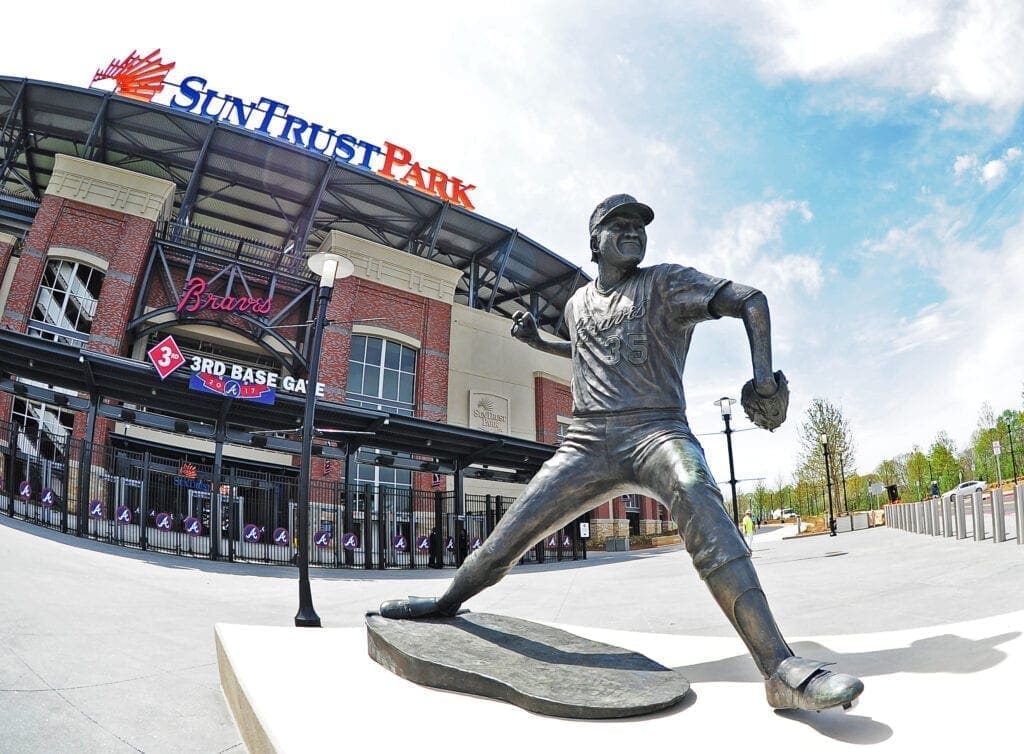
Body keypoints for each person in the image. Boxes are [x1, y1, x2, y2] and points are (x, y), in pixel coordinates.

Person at [380, 194, 863, 712]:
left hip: (655, 430)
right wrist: (540, 341)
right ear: (595, 241)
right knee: (512, 530)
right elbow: (585, 348)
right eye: (620, 225)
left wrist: (763, 378)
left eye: (639, 226)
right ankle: (448, 602)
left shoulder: (666, 282)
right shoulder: (576, 304)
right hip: (586, 442)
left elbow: (752, 300)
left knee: (698, 491)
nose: (633, 232)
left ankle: (780, 668)